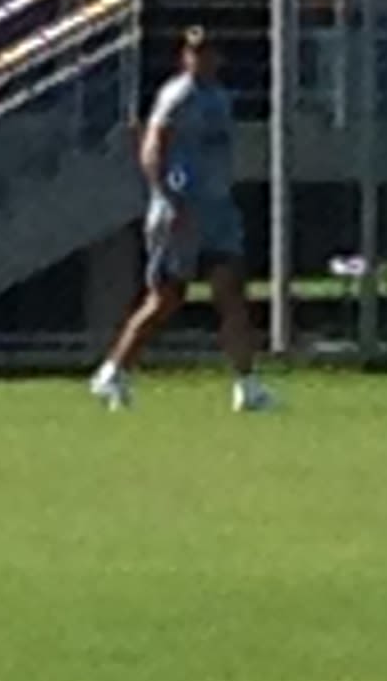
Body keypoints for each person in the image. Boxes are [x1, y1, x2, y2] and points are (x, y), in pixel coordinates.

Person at [90, 26, 275, 413]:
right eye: (193, 51)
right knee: (166, 300)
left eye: (206, 51)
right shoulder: (178, 96)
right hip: (181, 212)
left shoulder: (220, 98)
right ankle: (113, 372)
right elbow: (153, 146)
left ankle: (248, 384)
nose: (199, 58)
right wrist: (169, 199)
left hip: (216, 211)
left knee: (231, 294)